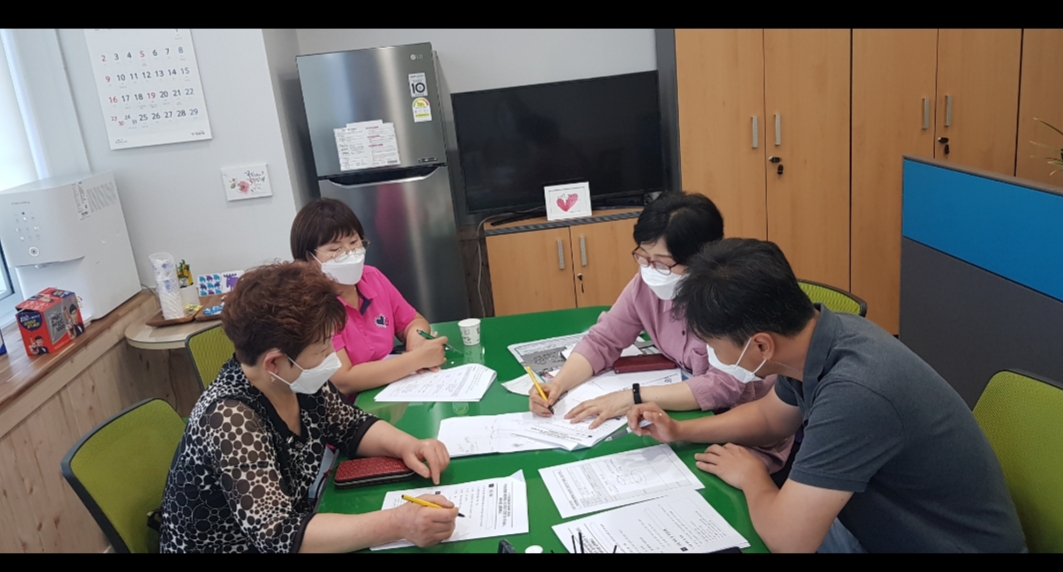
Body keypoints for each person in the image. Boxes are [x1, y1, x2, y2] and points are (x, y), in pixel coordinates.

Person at [627, 238, 1027, 553]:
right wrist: (680, 430)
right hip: (875, 521)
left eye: (714, 345)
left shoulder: (856, 392)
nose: (714, 355)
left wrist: (752, 477)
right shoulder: (818, 337)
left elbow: (790, 540)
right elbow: (771, 418)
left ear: (761, 345)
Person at [158, 261, 458, 553]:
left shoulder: (296, 379)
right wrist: (398, 523)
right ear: (274, 363)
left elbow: (350, 426)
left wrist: (409, 445)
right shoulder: (230, 418)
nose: (331, 358)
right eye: (322, 349)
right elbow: (279, 536)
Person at [528, 192, 792, 475]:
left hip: (743, 430)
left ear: (702, 258)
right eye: (643, 257)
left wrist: (632, 396)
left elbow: (723, 386)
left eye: (663, 263)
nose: (650, 270)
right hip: (682, 417)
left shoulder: (724, 298)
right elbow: (604, 339)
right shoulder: (647, 284)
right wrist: (559, 384)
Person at [290, 198, 447, 397]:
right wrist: (416, 360)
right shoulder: (310, 304)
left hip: (394, 392)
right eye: (335, 249)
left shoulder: (372, 277)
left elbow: (412, 321)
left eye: (354, 242)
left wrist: (416, 342)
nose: (349, 253)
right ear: (309, 258)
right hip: (346, 407)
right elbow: (344, 381)